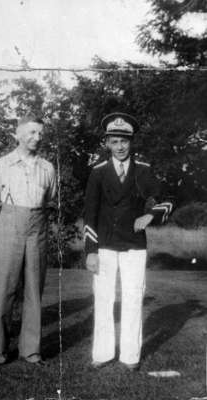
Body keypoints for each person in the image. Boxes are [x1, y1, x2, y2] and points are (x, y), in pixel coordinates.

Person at [84, 112, 173, 371]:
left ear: (131, 142)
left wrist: (150, 215)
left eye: (124, 141)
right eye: (114, 141)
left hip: (134, 245)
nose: (120, 147)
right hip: (105, 244)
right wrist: (91, 250)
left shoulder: (144, 170)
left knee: (134, 297)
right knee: (103, 298)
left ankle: (130, 357)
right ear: (107, 143)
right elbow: (89, 213)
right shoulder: (98, 173)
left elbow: (167, 198)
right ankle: (102, 353)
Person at [0, 114, 56, 368]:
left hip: (37, 229)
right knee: (4, 291)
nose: (38, 138)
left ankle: (30, 351)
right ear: (18, 134)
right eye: (32, 133)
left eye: (40, 133)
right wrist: (2, 229)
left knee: (34, 291)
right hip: (8, 228)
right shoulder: (1, 165)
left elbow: (48, 204)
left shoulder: (48, 168)